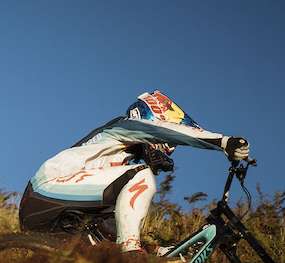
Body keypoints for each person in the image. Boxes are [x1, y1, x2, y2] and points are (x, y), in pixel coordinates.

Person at [18, 91, 250, 253]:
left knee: (112, 238)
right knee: (140, 174)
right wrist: (222, 142)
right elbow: (165, 131)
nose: (168, 149)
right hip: (45, 191)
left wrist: (157, 252)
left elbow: (110, 224)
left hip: (53, 217)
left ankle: (131, 251)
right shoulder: (124, 127)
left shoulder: (114, 169)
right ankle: (130, 250)